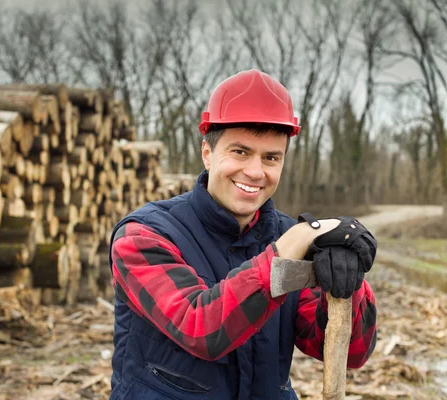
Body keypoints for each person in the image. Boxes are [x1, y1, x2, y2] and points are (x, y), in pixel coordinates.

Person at [108, 69, 378, 399]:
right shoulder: (144, 237)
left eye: (271, 157)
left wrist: (349, 280)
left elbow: (347, 351)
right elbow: (201, 329)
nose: (255, 171)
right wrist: (292, 245)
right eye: (240, 152)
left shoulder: (289, 235)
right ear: (207, 152)